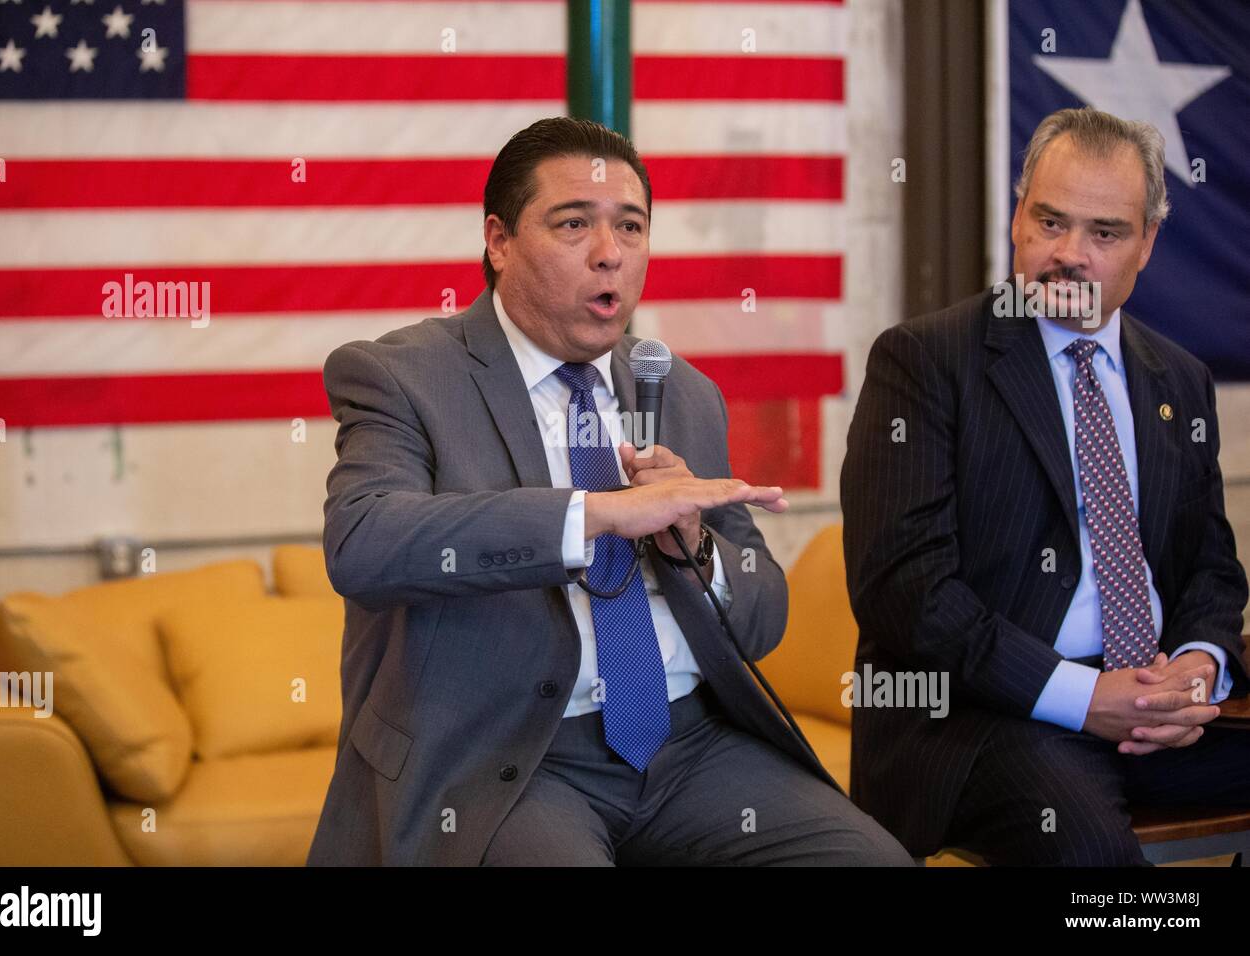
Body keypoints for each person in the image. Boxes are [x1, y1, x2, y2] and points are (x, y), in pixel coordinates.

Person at [307, 116, 911, 866]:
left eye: (631, 226)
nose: (610, 255)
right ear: (498, 241)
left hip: (690, 746)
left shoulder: (684, 392)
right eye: (573, 224)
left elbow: (760, 620)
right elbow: (364, 543)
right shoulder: (403, 376)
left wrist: (696, 547)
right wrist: (593, 516)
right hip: (512, 759)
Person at [841, 107, 1250, 866]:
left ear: (1148, 243)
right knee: (1090, 858)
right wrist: (1083, 697)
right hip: (985, 717)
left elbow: (1211, 570)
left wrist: (1199, 667)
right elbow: (905, 591)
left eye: (1105, 233)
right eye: (1051, 222)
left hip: (1156, 705)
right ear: (1017, 218)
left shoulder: (1180, 380)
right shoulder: (925, 362)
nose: (1070, 255)